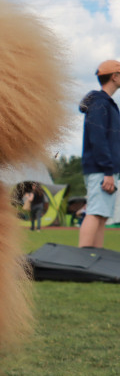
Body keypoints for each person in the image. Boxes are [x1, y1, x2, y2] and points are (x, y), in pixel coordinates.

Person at [78, 59, 120, 248]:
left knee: (102, 216)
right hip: (101, 170)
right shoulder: (100, 103)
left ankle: (96, 258)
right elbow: (98, 139)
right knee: (95, 213)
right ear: (114, 76)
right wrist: (108, 171)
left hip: (105, 169)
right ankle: (84, 258)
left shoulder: (106, 103)